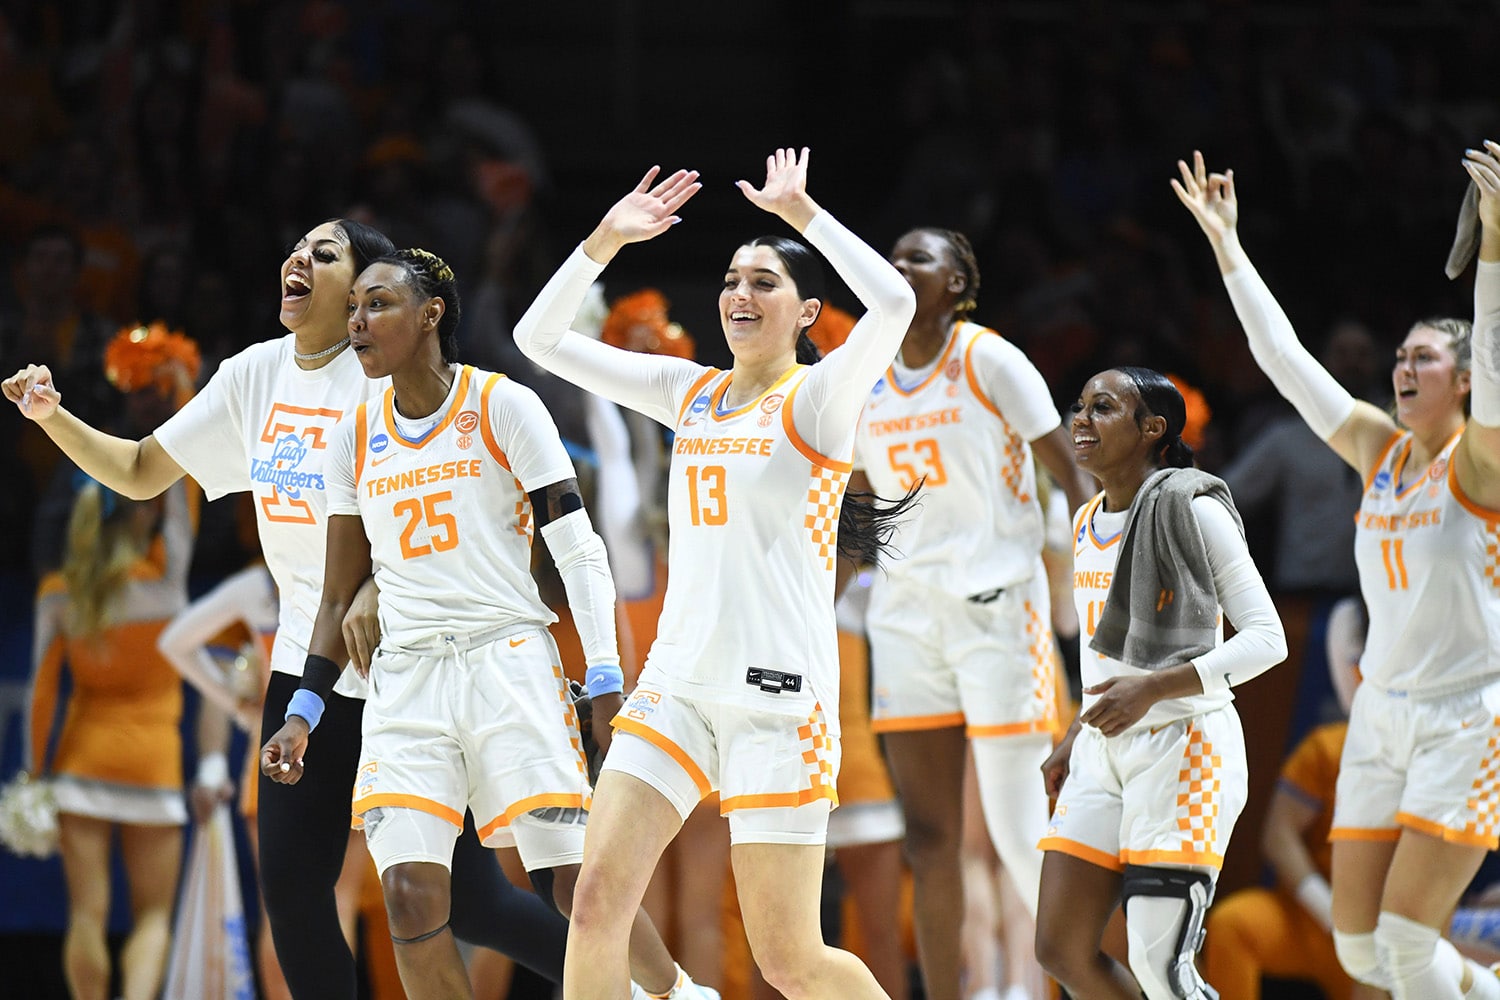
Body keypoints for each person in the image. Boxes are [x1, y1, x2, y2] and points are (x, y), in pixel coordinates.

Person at [2, 217, 569, 999]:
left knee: (471, 902)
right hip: (308, 671)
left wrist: (377, 583)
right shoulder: (252, 377)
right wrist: (49, 416)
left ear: (367, 295)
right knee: (296, 899)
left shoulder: (392, 380)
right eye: (297, 249)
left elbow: (463, 509)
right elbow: (137, 471)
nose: (298, 259)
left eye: (325, 253)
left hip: (411, 670)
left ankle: (632, 982)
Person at [512, 148, 918, 1000]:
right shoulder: (688, 394)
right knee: (593, 904)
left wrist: (802, 216)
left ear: (807, 311)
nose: (740, 293)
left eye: (765, 281)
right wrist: (604, 239)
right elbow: (536, 339)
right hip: (677, 688)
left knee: (790, 962)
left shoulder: (817, 401)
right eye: (733, 279)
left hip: (778, 702)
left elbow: (896, 301)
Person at [257, 248, 712, 1000]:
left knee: (570, 883)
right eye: (354, 309)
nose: (358, 322)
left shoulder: (502, 405)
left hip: (509, 660)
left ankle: (673, 994)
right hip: (405, 678)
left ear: (431, 313)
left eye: (378, 304)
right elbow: (336, 596)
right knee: (408, 895)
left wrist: (605, 679)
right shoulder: (353, 436)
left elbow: (581, 550)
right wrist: (304, 711)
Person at [1173, 143, 1500, 1000]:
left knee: (1401, 943)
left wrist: (1495, 245)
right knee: (1360, 955)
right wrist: (1229, 249)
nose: (1402, 366)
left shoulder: (1482, 464)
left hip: (1469, 719)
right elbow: (1286, 365)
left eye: (1423, 358)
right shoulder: (1378, 450)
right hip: (1382, 712)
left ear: (1465, 382)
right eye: (1399, 355)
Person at [846, 225, 1092, 1000]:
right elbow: (861, 506)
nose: (898, 268)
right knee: (929, 840)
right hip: (905, 617)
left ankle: (1098, 982)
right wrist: (820, 606)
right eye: (891, 259)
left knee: (1023, 838)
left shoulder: (989, 359)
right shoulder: (865, 371)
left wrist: (1099, 590)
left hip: (997, 615)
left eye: (918, 259)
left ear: (957, 284)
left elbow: (1077, 480)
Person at [1032, 367, 1287, 1000]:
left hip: (1186, 747)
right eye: (1080, 406)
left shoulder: (1192, 508)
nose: (1082, 419)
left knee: (1159, 965)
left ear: (1153, 430)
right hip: (1102, 749)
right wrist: (1074, 735)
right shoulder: (1087, 517)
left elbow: (1267, 639)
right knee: (1059, 947)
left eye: (1104, 408)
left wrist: (1153, 689)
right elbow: (1106, 662)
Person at [157, 560, 369, 1000]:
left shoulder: (262, 584)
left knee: (288, 911)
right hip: (338, 744)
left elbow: (176, 642)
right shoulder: (346, 577)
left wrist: (240, 707)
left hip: (287, 751)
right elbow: (174, 642)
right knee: (331, 907)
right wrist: (239, 707)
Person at [26, 477, 193, 1000]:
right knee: (154, 916)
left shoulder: (57, 593)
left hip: (83, 763)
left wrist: (35, 775)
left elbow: (41, 694)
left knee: (86, 914)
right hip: (153, 767)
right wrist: (185, 406)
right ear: (142, 516)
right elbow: (185, 498)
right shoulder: (166, 581)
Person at [1201, 595, 1381, 1000]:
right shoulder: (1328, 749)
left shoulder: (1426, 760)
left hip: (1377, 930)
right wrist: (1329, 911)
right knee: (1232, 925)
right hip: (1312, 917)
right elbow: (1277, 836)